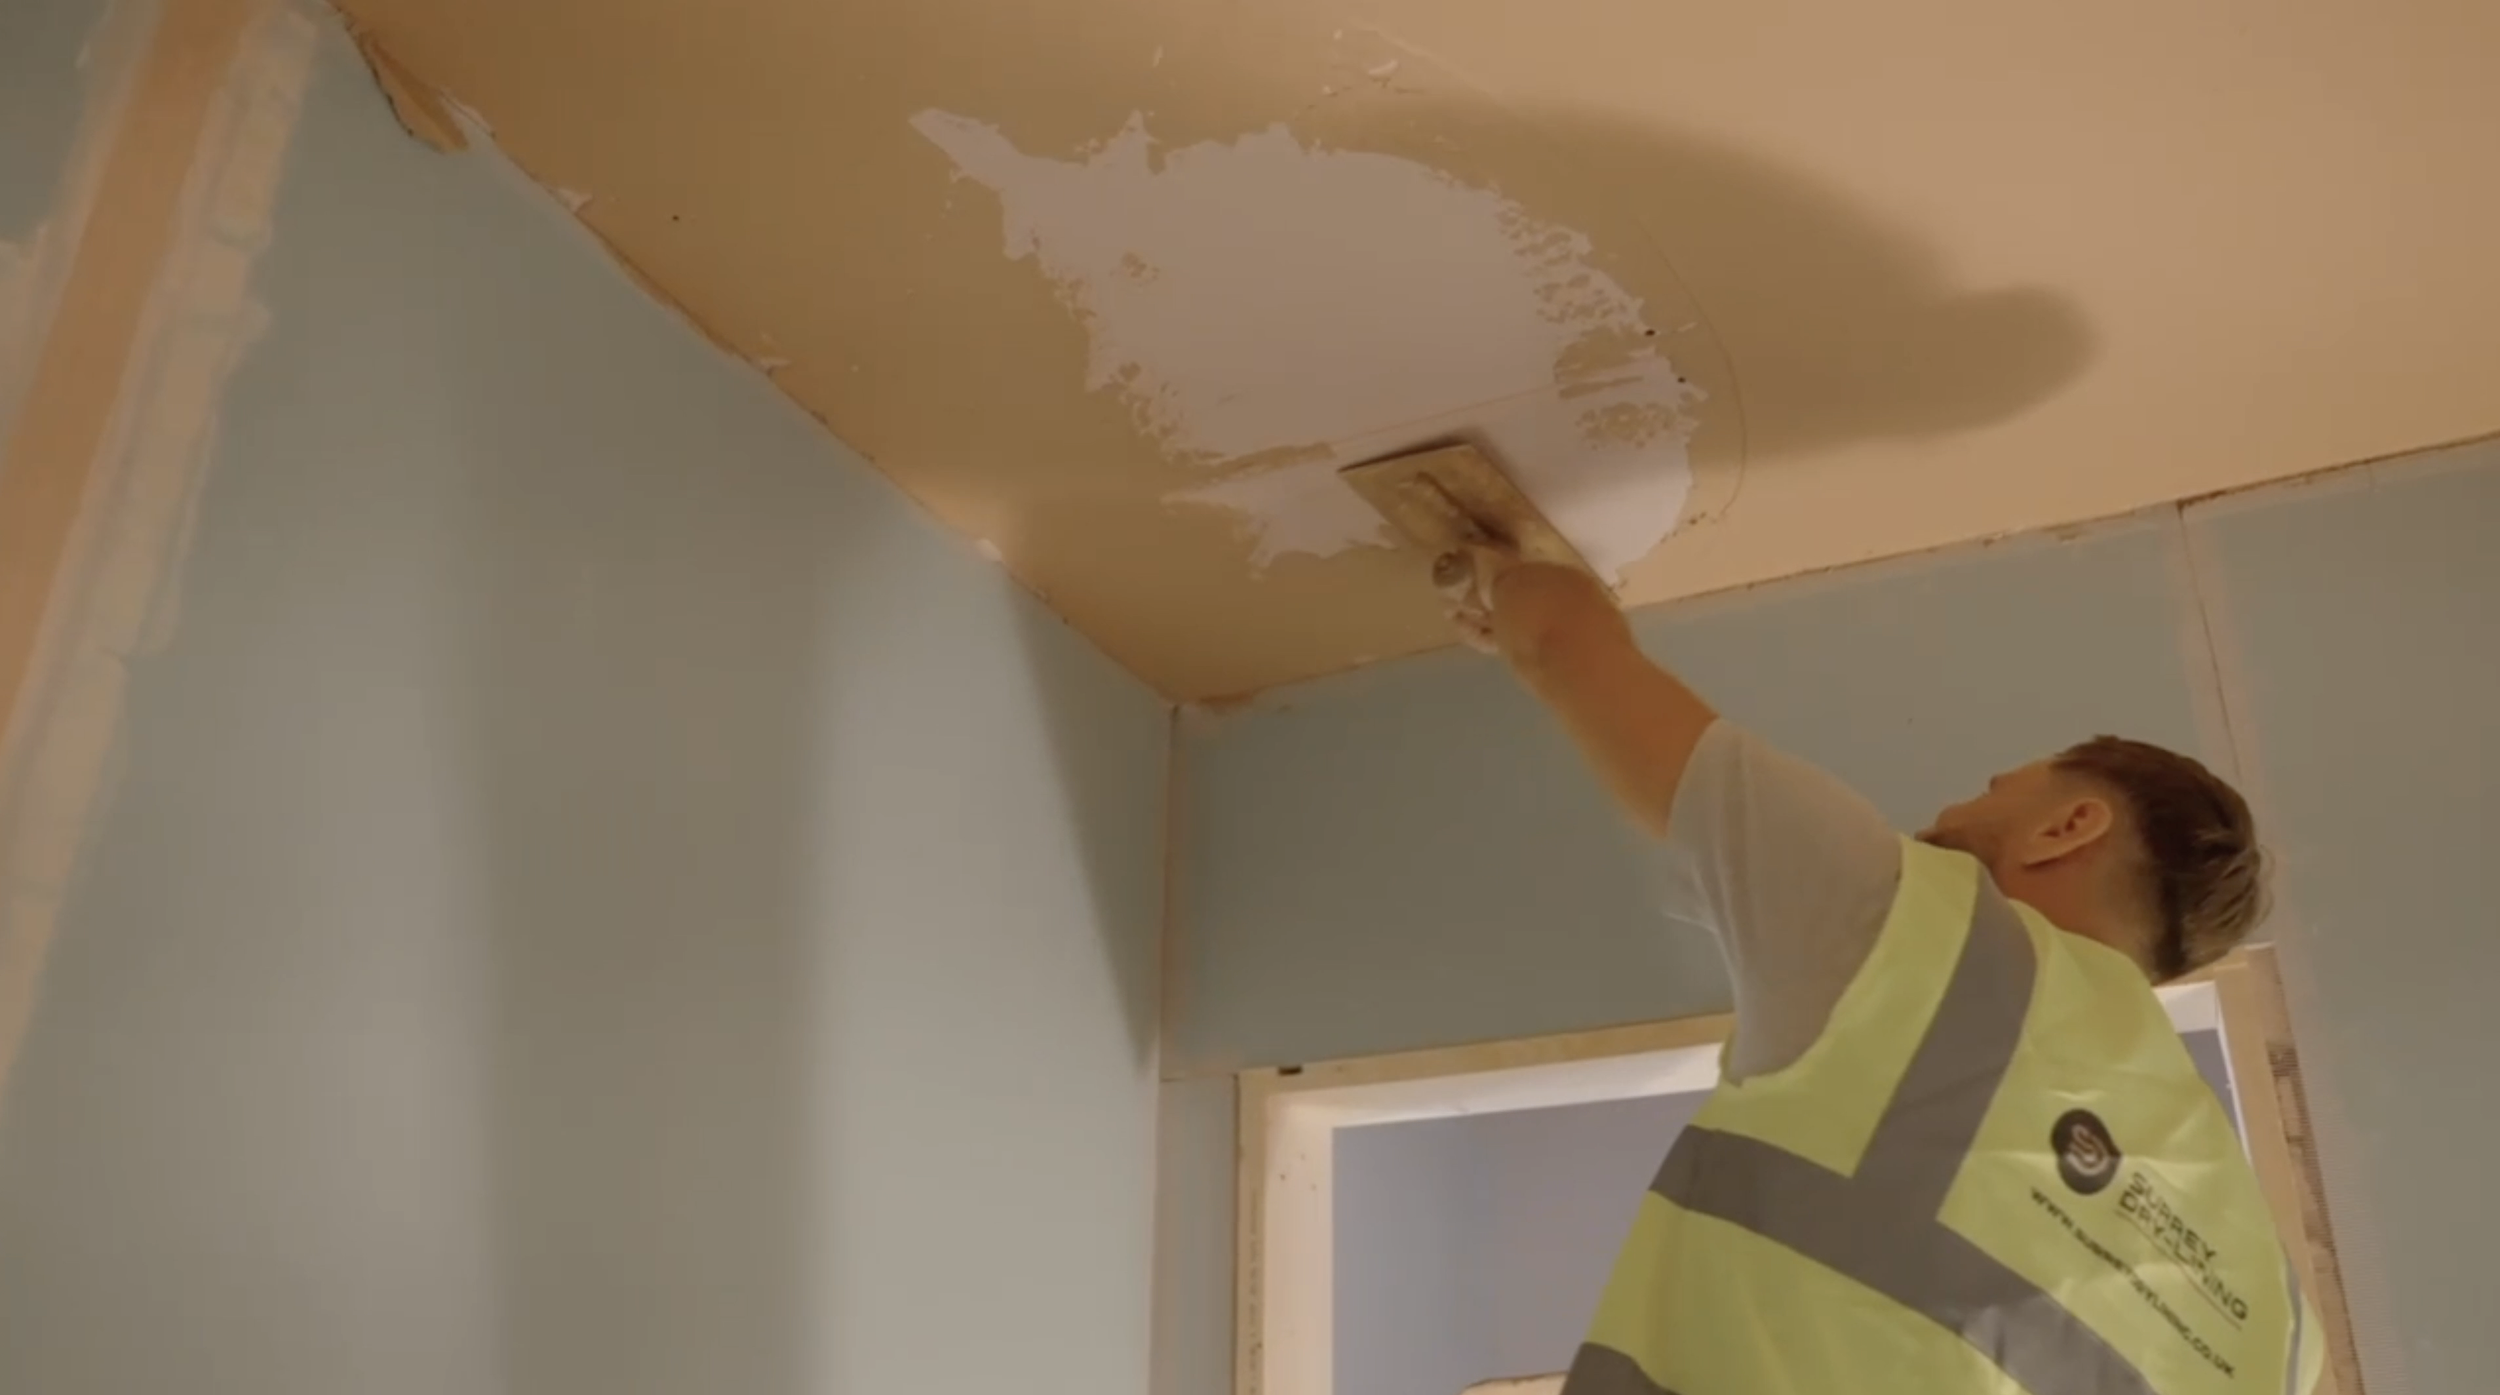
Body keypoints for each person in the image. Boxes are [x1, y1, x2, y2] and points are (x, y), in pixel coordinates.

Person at [1437, 547, 2323, 1395]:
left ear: (2068, 827)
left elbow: (1561, 642)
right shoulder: (2284, 1331)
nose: (1948, 808)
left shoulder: (1919, 937)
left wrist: (1500, 574)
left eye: (1992, 785)